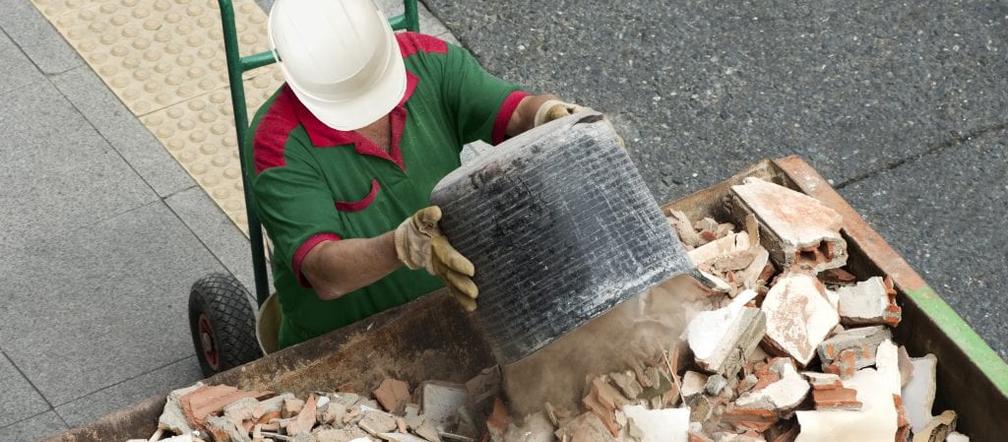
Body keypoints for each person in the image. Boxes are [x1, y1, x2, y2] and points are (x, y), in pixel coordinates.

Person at [249, 0, 595, 348]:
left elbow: (514, 111)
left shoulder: (429, 61)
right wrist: (402, 246)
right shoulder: (276, 141)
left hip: (453, 304)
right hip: (341, 341)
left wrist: (547, 113)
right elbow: (324, 272)